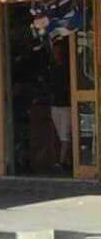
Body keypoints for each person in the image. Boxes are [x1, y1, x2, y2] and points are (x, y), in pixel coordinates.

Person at [48, 39, 72, 170]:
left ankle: (62, 162)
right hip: (55, 105)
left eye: (59, 51)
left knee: (65, 134)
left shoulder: (69, 66)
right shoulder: (52, 68)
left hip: (67, 105)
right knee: (60, 134)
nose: (57, 54)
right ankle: (68, 161)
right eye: (55, 51)